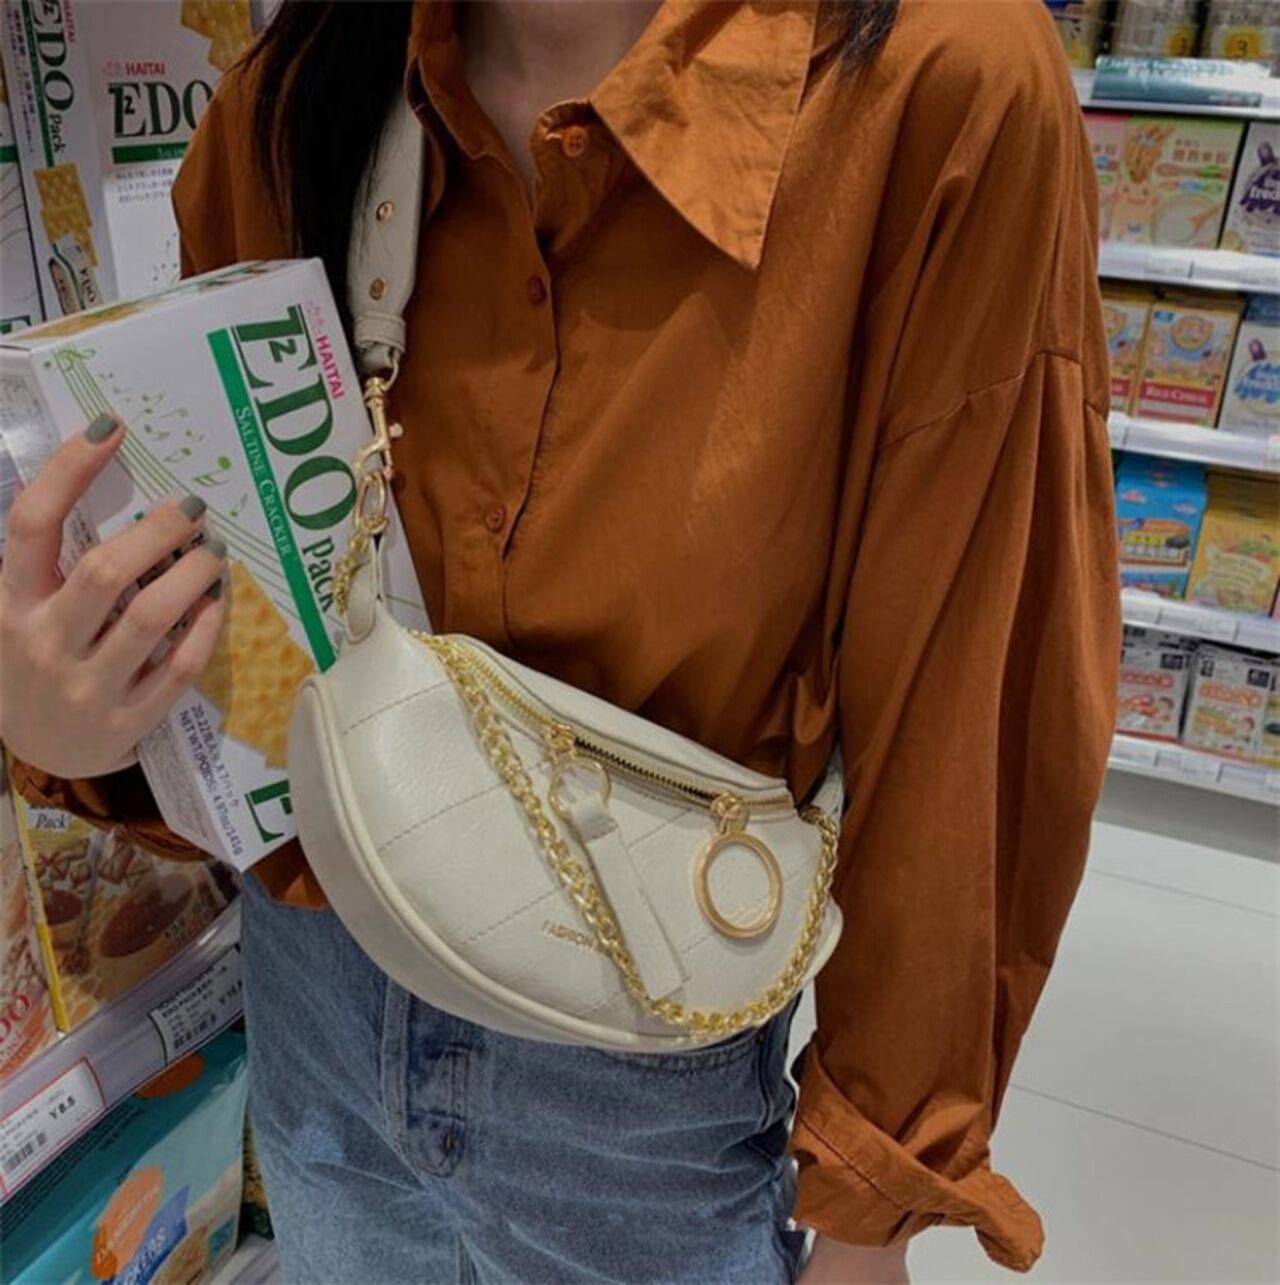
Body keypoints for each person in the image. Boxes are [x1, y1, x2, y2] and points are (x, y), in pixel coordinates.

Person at [0, 0, 1121, 1280]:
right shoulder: (295, 89)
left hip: (639, 1066)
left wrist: (871, 1204)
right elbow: (261, 639)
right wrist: (79, 725)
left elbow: (966, 687)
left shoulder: (936, 82)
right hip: (316, 999)